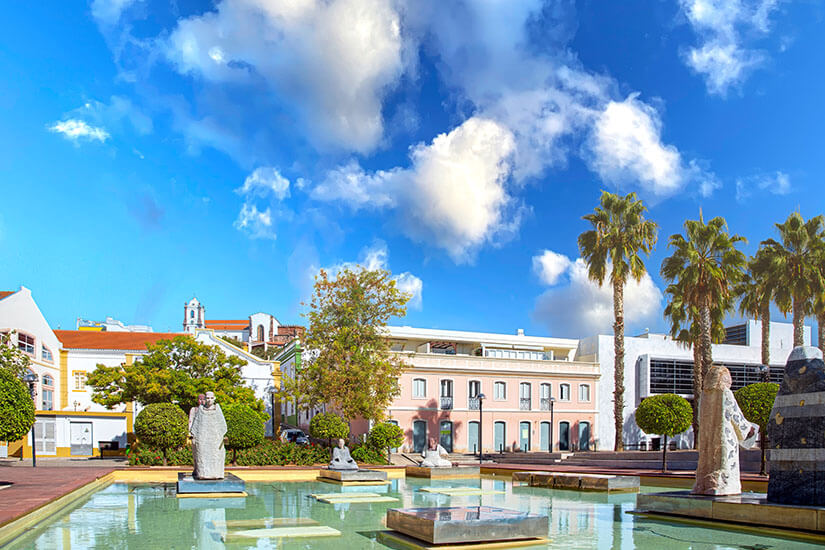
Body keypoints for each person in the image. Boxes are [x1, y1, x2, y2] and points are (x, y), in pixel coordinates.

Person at [692, 365, 759, 495]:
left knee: (707, 460)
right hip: (725, 434)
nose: (730, 380)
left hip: (708, 435)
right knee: (725, 461)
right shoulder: (725, 392)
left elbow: (700, 417)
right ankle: (723, 485)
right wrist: (748, 428)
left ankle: (702, 485)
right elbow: (735, 414)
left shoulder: (704, 396)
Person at [190, 391, 228, 480]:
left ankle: (216, 473)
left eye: (211, 398)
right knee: (202, 455)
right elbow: (196, 424)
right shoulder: (201, 409)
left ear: (214, 399)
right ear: (205, 399)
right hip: (203, 438)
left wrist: (220, 435)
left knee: (216, 455)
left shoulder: (217, 409)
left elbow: (222, 424)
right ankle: (203, 473)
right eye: (208, 398)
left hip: (215, 438)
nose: (209, 400)